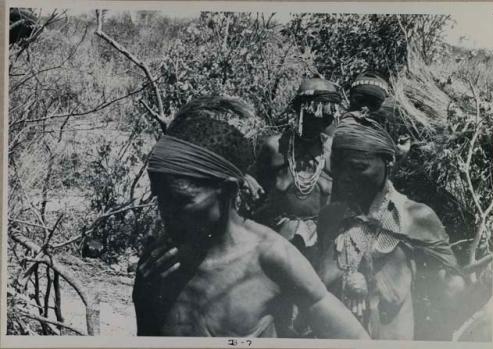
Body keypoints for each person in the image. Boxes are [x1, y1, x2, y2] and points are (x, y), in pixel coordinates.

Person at [132, 96, 369, 339]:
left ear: (227, 191)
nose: (166, 213)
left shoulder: (271, 258)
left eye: (182, 200)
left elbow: (354, 340)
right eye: (159, 198)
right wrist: (144, 297)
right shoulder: (160, 263)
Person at [316, 113, 465, 339]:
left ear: (389, 163)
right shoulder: (330, 217)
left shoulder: (417, 218)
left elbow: (450, 290)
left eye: (359, 167)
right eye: (340, 168)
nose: (346, 176)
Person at [253, 77, 342, 265]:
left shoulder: (335, 152)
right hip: (276, 240)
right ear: (298, 111)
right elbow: (253, 193)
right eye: (312, 113)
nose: (318, 122)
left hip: (323, 243)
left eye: (325, 116)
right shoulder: (274, 147)